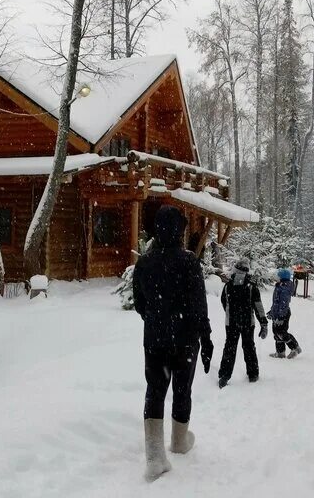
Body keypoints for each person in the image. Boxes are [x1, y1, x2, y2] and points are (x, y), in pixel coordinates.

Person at [133, 206, 213, 483]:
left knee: (154, 392)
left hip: (154, 340)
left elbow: (139, 303)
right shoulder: (189, 262)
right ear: (179, 230)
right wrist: (206, 336)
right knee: (182, 389)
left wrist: (156, 318)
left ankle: (155, 457)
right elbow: (199, 306)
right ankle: (179, 442)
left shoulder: (144, 262)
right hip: (186, 340)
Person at [218, 259, 268, 388]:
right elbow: (258, 307)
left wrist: (231, 313)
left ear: (236, 270)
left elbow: (224, 302)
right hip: (247, 323)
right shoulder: (251, 286)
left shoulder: (228, 286)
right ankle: (253, 374)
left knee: (229, 347)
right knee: (249, 347)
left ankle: (224, 375)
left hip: (231, 323)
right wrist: (263, 323)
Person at [268, 268, 302, 359]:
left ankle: (295, 348)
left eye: (277, 276)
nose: (276, 277)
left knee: (281, 333)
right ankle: (280, 353)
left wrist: (281, 316)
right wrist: (272, 312)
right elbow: (276, 302)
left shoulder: (284, 288)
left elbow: (283, 303)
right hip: (277, 313)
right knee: (276, 333)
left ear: (282, 277)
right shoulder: (280, 286)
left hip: (283, 314)